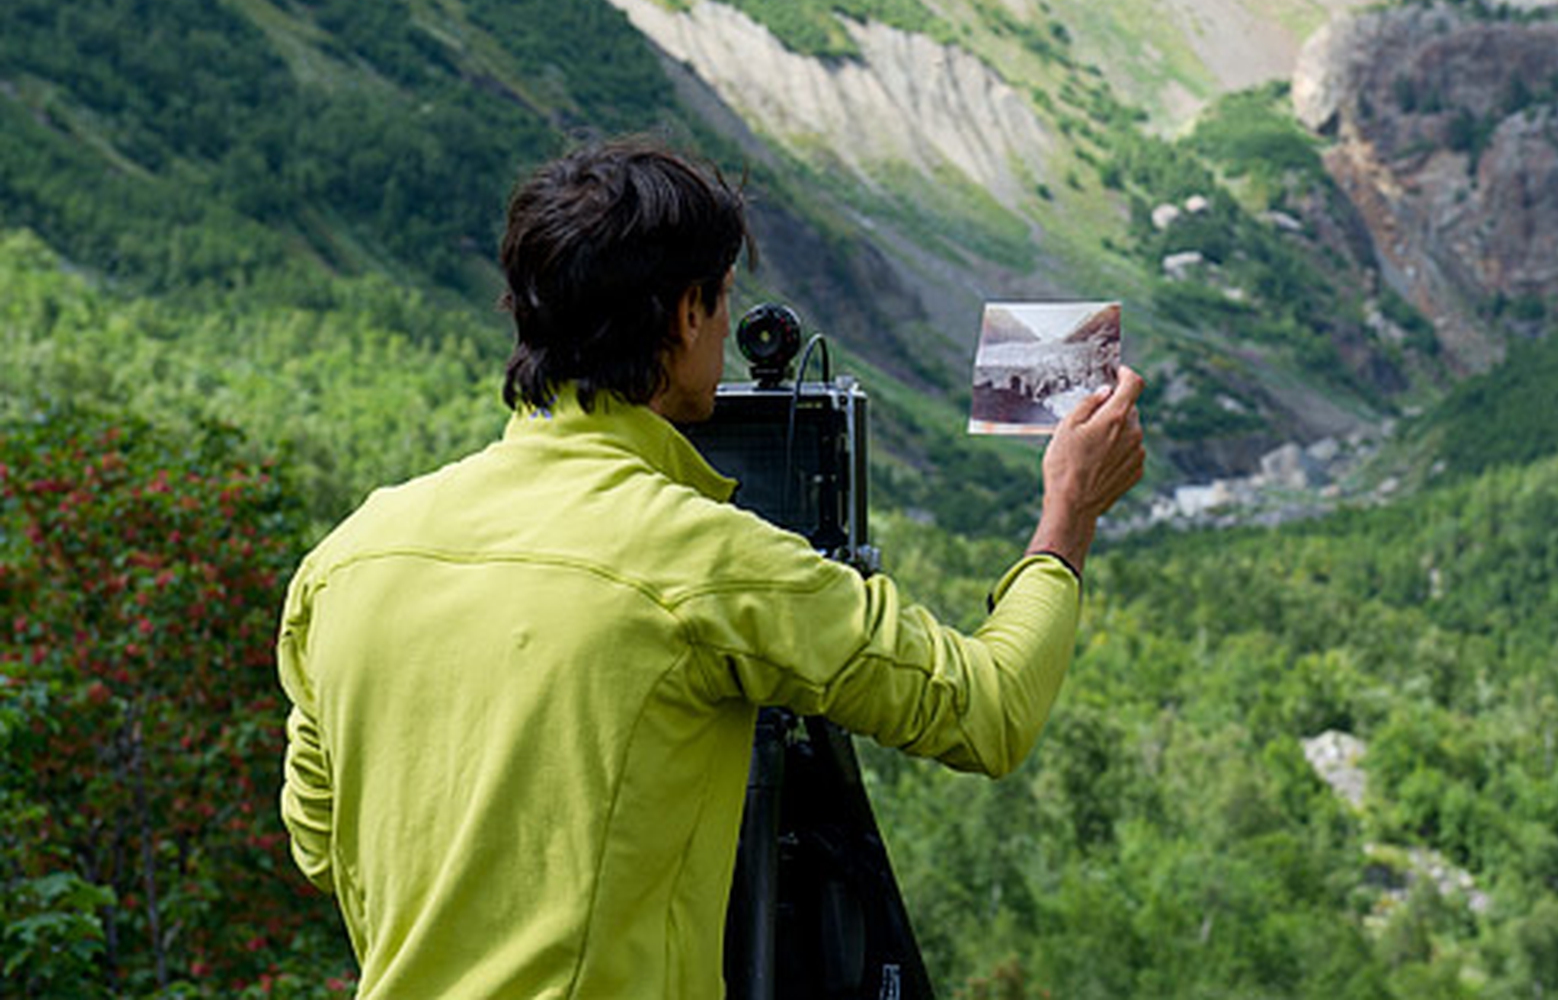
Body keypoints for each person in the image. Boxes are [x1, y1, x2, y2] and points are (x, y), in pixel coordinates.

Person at [276, 134, 1146, 998]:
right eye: (723, 300)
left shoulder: (347, 558)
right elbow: (985, 709)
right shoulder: (709, 561)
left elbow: (318, 844)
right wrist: (1068, 514)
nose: (727, 328)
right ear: (687, 313)